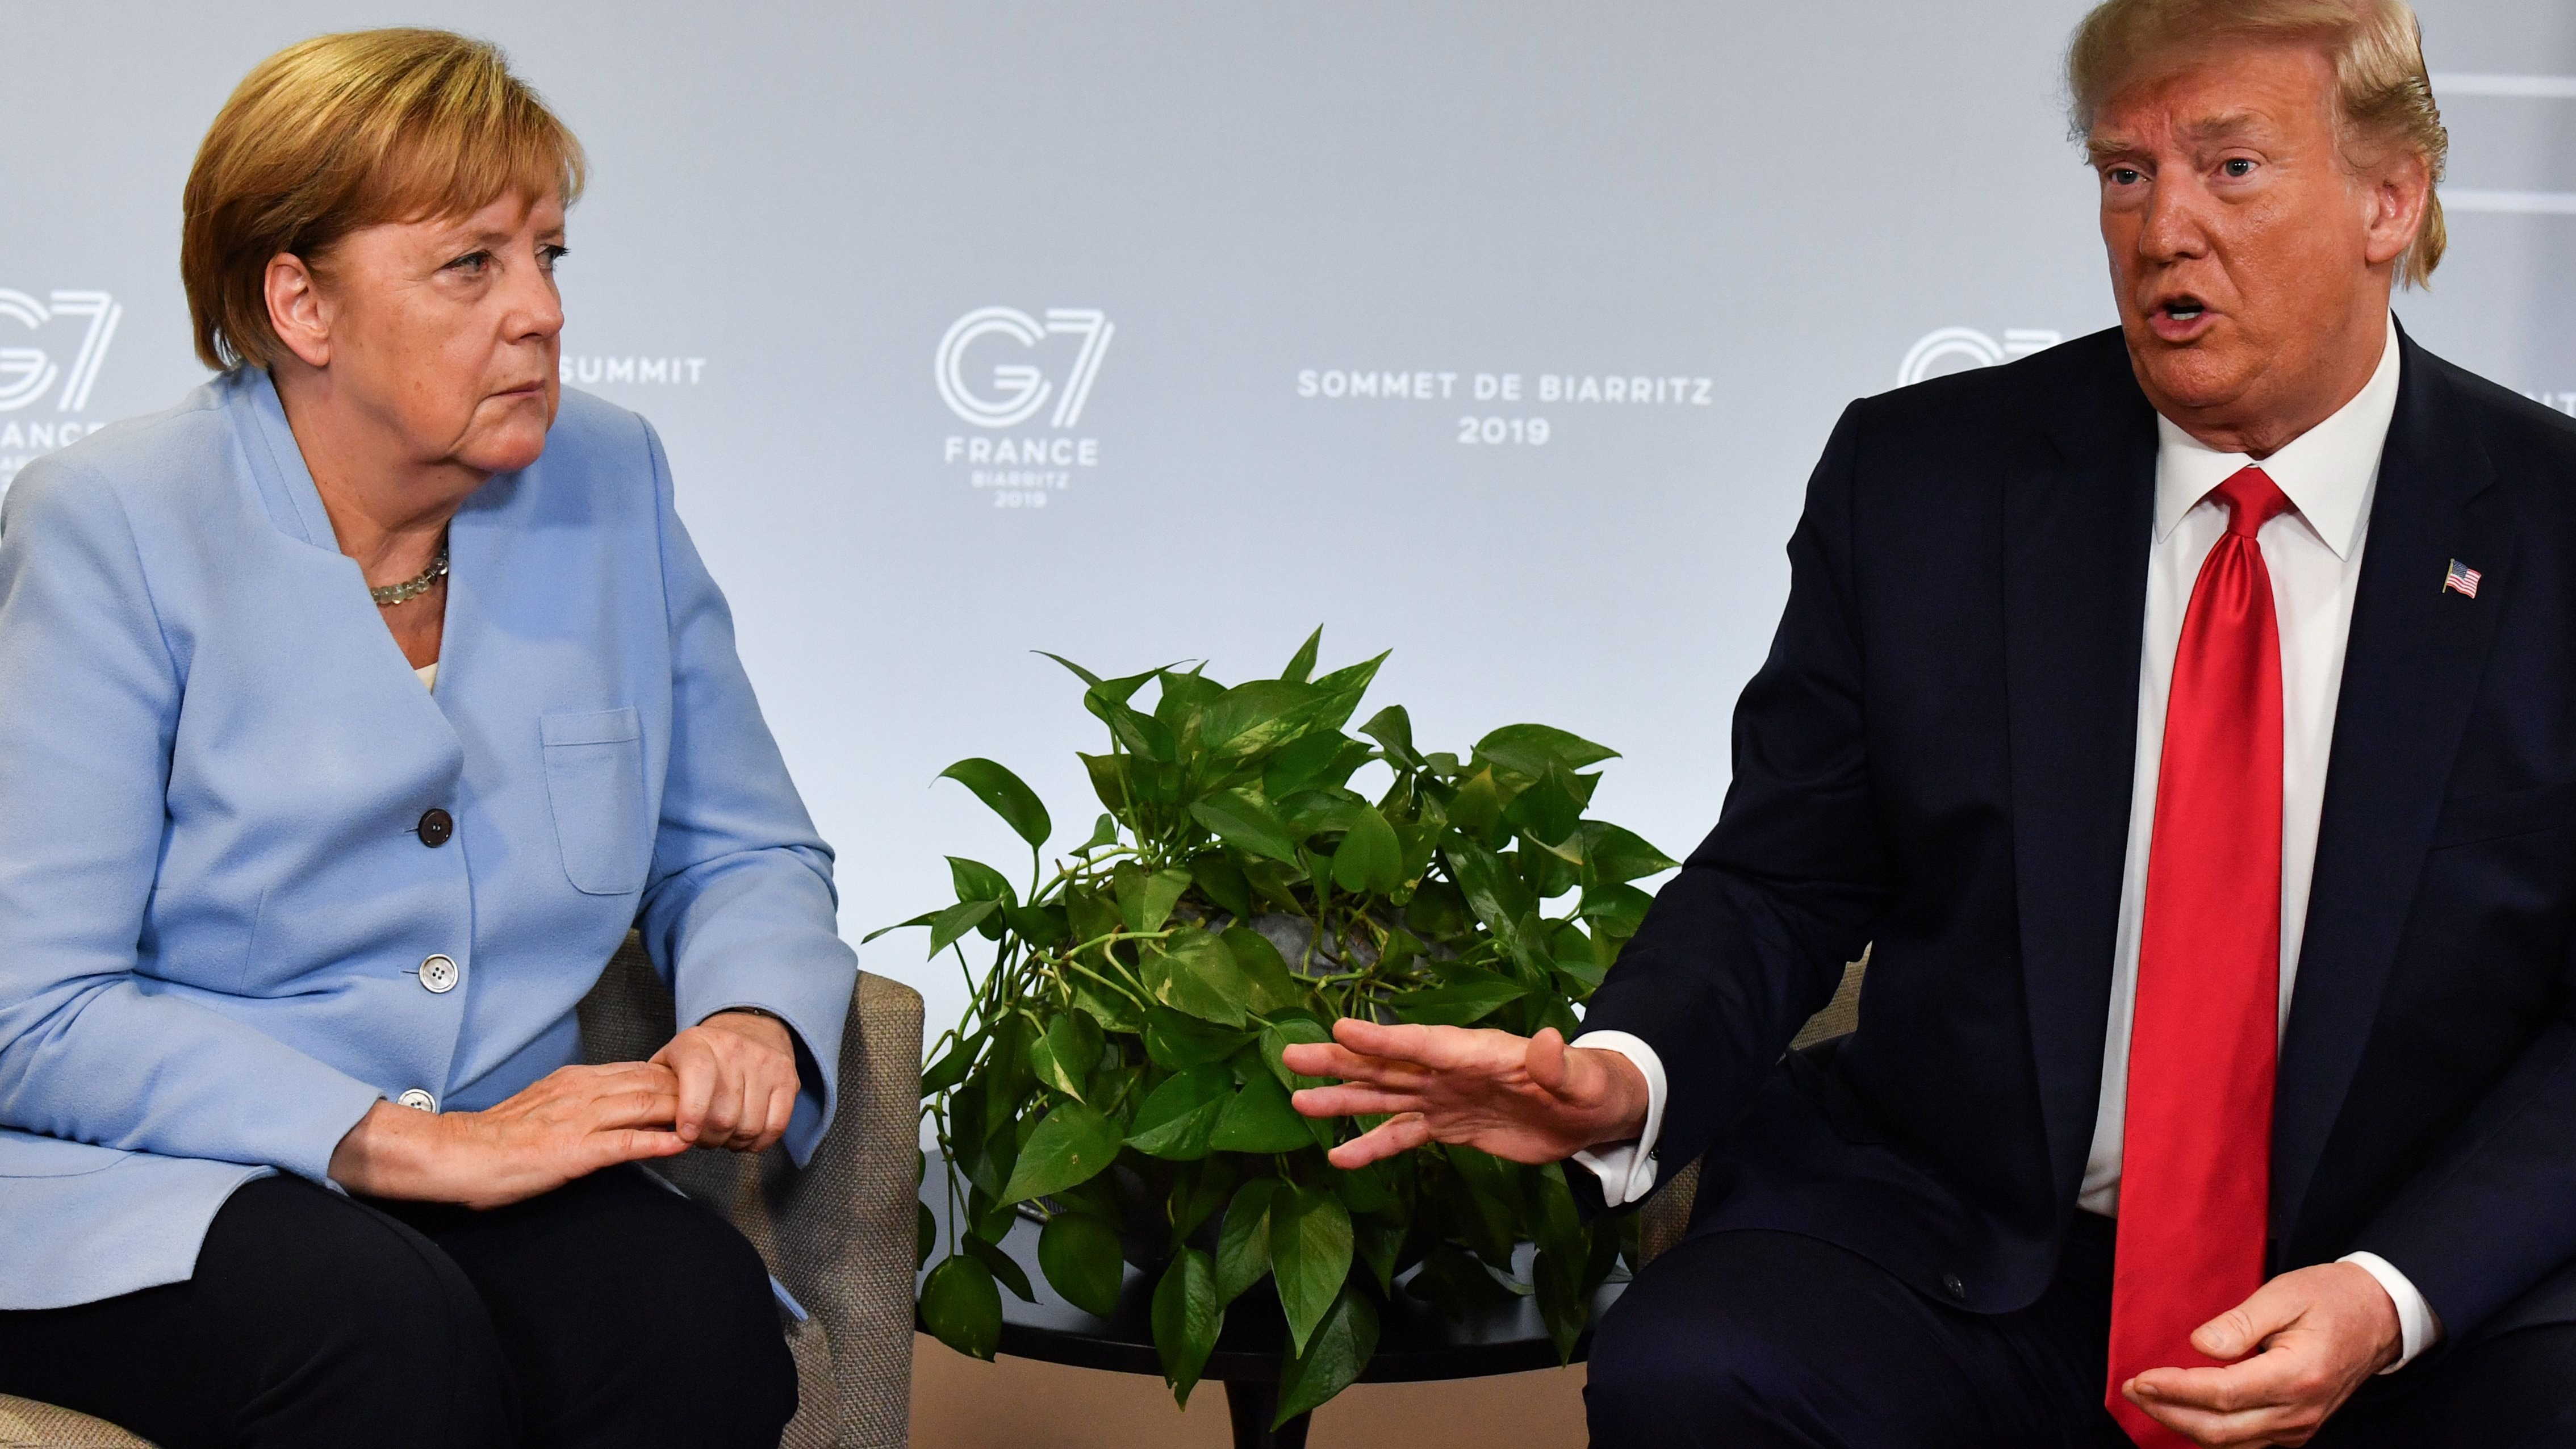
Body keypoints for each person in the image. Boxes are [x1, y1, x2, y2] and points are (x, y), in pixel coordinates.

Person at [1286, 1, 2576, 1444]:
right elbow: (1786, 871)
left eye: (2232, 169)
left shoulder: (2548, 526)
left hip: (2402, 1281)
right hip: (1981, 1257)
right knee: (1697, 1366)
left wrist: (2389, 1293)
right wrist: (1620, 1075)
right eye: (2126, 173)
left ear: (2389, 197)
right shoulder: (1925, 484)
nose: (2162, 232)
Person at [0, 29, 853, 1449]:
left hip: (488, 1150)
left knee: (693, 1327)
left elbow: (745, 842)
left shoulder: (611, 477)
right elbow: (32, 1010)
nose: (540, 314)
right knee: (386, 1342)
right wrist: (410, 1144)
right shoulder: (113, 523)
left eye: (549, 258)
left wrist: (752, 1012)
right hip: (154, 1176)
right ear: (301, 304)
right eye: (472, 264)